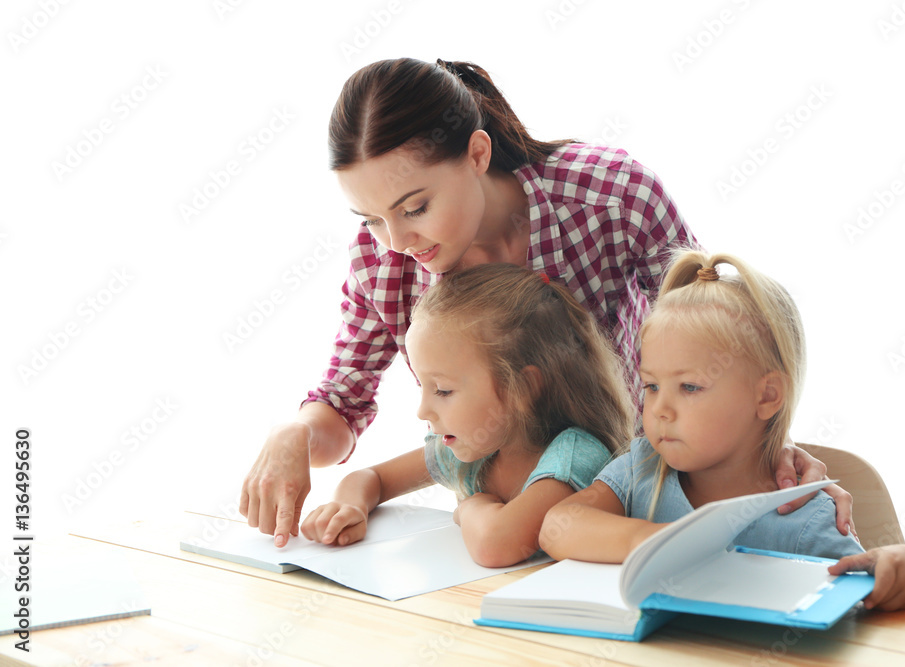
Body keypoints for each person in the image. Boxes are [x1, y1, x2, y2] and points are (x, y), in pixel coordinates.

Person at [240, 57, 846, 548]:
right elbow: (342, 406)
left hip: (639, 507)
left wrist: (764, 447)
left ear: (477, 155)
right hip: (516, 543)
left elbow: (718, 344)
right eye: (370, 218)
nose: (397, 242)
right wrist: (294, 433)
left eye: (415, 207)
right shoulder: (381, 263)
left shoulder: (609, 196)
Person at [540, 249, 905, 611]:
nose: (660, 409)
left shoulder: (804, 517)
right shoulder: (642, 470)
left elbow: (873, 608)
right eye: (651, 386)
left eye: (690, 387)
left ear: (766, 396)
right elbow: (556, 527)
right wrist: (651, 543)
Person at [300, 264, 633, 567]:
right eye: (423, 387)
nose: (423, 411)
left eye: (443, 391)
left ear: (523, 388)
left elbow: (496, 545)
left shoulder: (575, 455)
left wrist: (471, 507)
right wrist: (349, 506)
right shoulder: (471, 448)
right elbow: (371, 479)